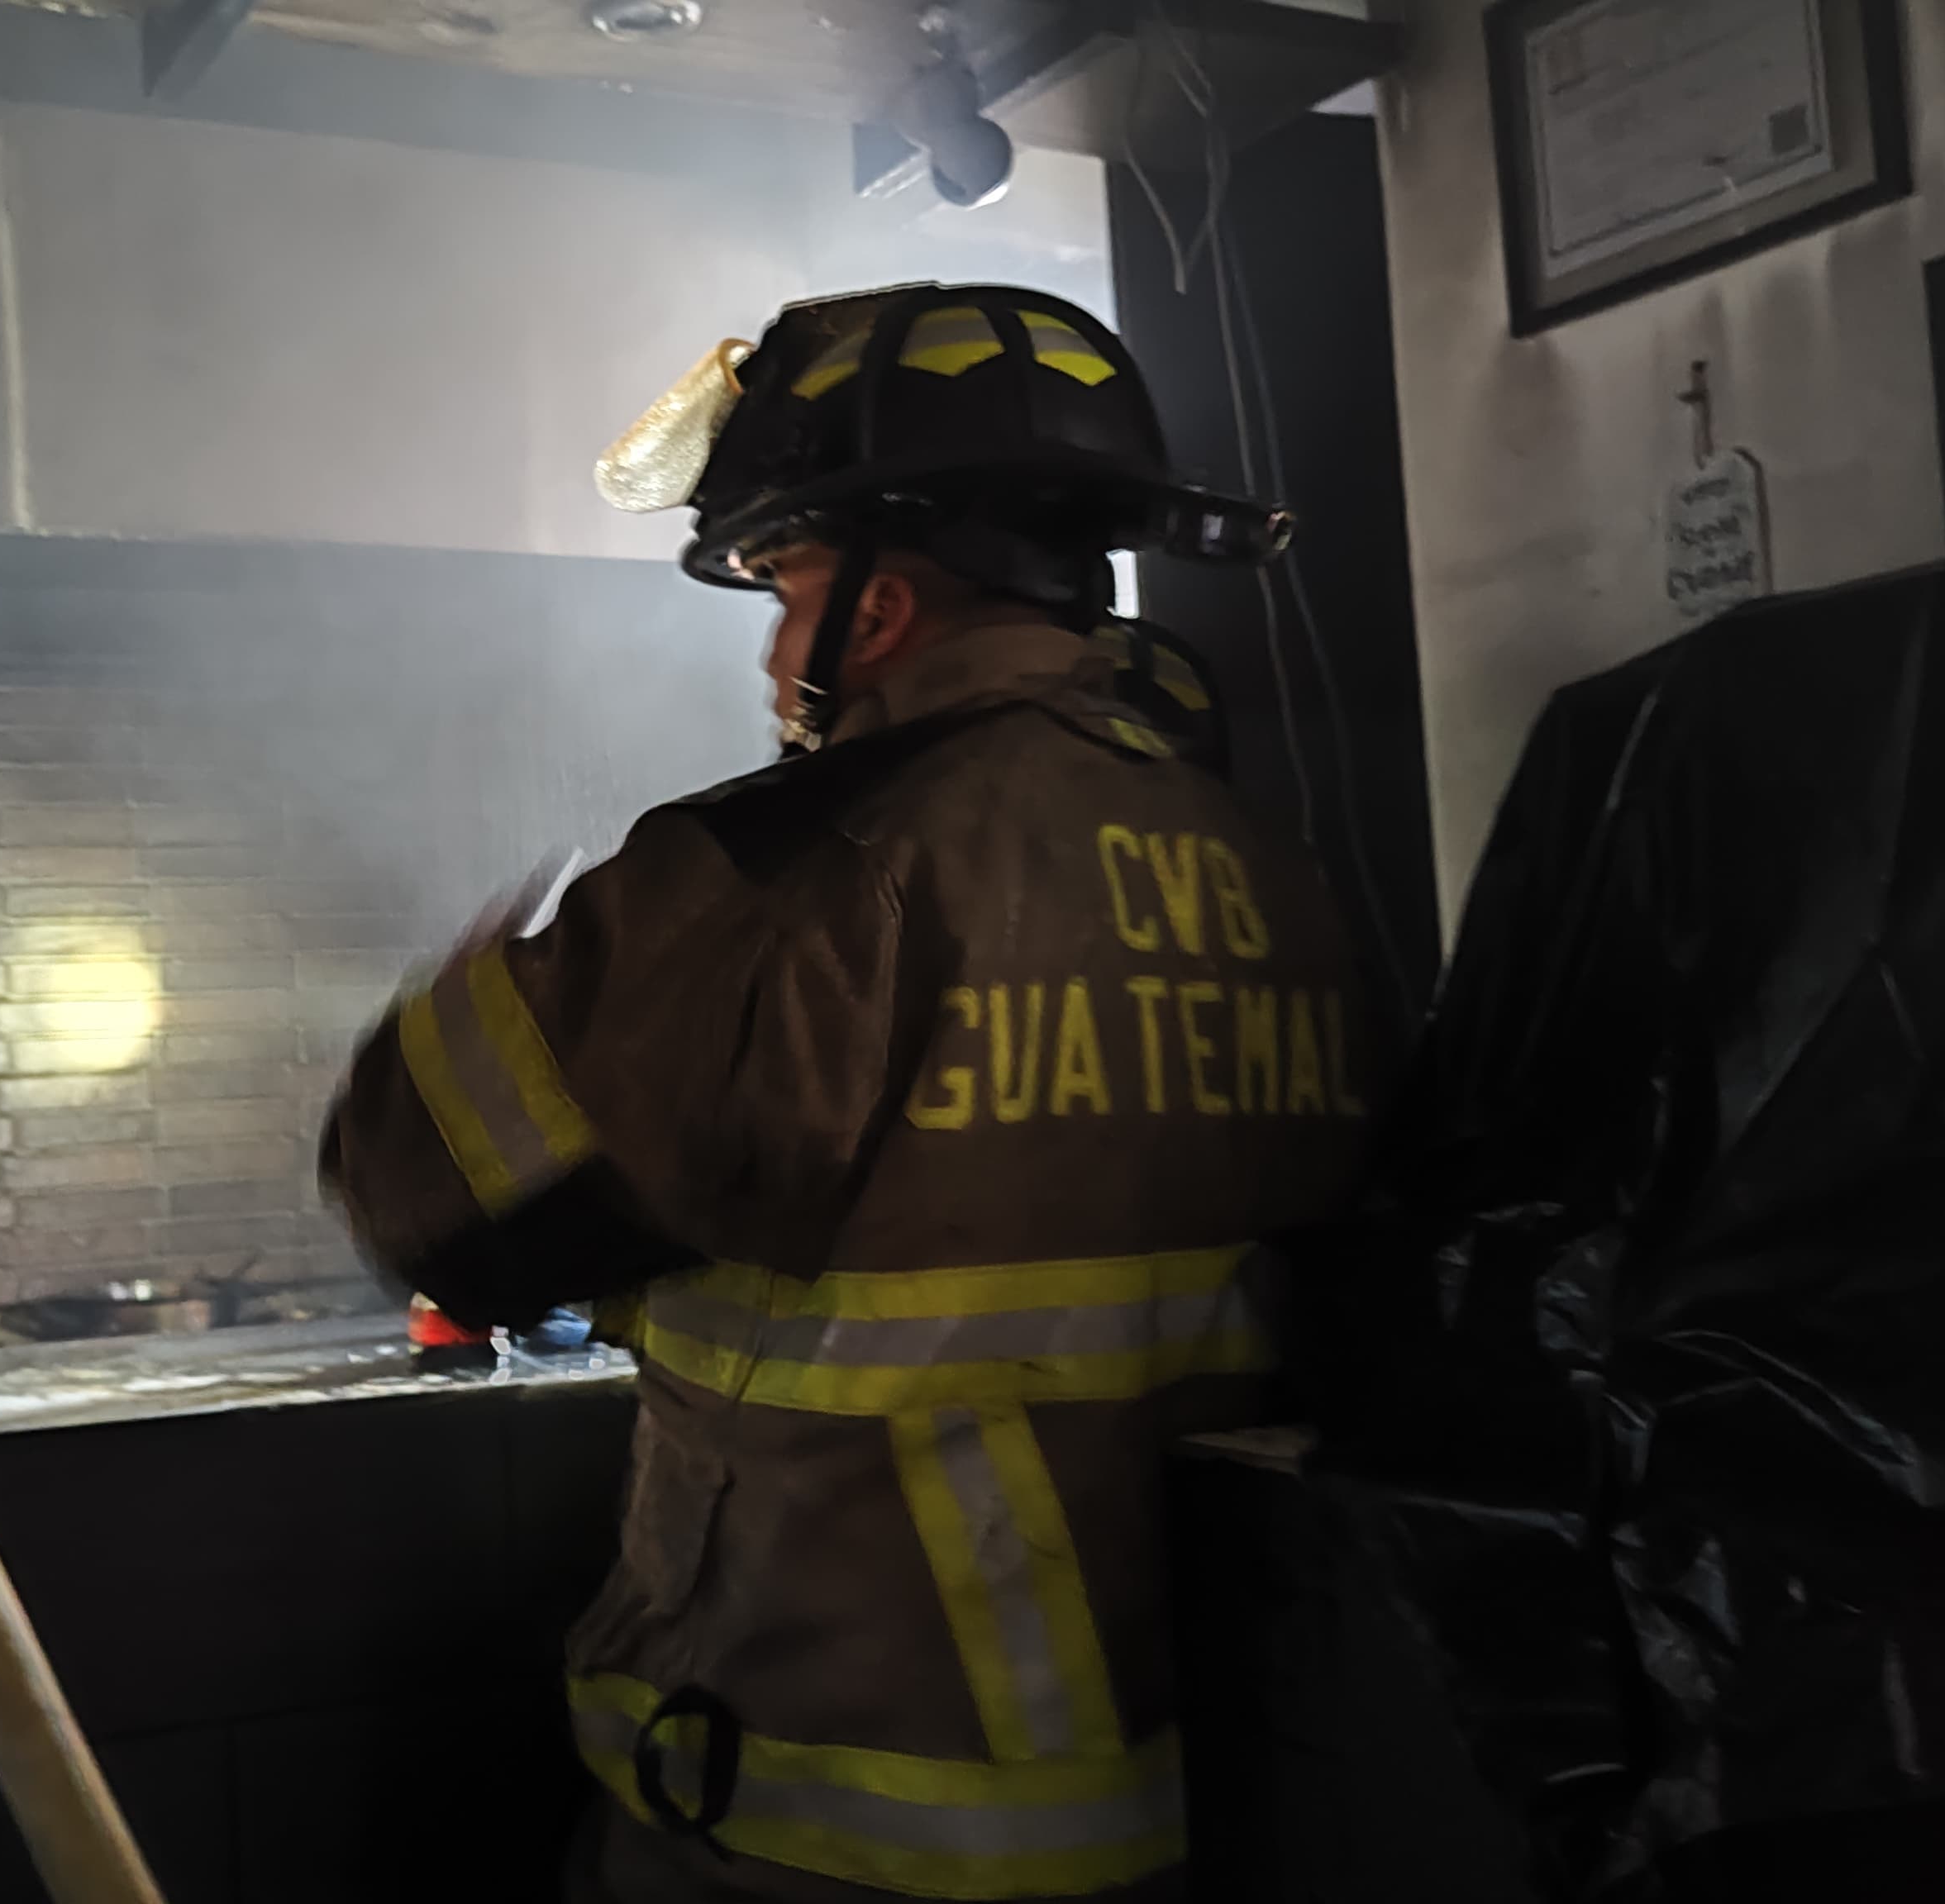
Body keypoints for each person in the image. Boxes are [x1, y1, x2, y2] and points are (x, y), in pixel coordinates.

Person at [319, 285, 1374, 1903]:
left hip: (820, 1821)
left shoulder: (797, 875)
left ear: (876, 611)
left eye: (785, 583)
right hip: (1197, 1802)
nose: (770, 647)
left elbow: (427, 1192)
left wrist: (485, 987)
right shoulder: (1267, 874)